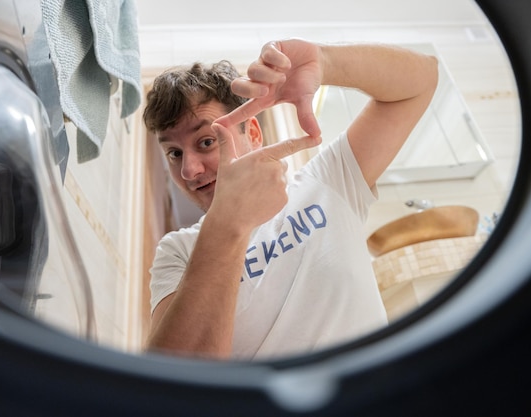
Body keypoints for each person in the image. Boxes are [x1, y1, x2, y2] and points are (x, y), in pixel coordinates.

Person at [143, 39, 438, 360]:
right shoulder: (177, 252)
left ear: (253, 135)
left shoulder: (328, 180)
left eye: (205, 141)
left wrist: (326, 62)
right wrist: (228, 222)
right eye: (174, 152)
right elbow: (180, 383)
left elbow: (420, 82)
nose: (188, 170)